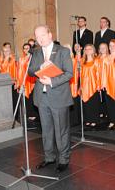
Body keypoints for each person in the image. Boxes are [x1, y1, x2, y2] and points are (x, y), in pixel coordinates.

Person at [28, 25, 73, 173]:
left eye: (42, 35)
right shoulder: (36, 53)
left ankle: (63, 159)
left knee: (61, 130)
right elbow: (30, 71)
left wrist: (52, 81)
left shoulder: (63, 51)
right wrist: (41, 66)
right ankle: (49, 158)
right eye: (37, 36)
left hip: (58, 96)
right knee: (46, 130)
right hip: (42, 97)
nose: (39, 39)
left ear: (50, 34)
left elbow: (69, 74)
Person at [80, 44, 101, 127]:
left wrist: (99, 84)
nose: (88, 50)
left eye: (90, 49)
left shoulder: (97, 60)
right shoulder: (82, 61)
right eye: (86, 49)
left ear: (93, 50)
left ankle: (94, 120)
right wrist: (80, 86)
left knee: (93, 103)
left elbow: (99, 73)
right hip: (84, 85)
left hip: (94, 84)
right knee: (86, 103)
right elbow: (80, 74)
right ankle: (88, 119)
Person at [16, 43, 37, 121]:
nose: (26, 50)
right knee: (25, 99)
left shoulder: (33, 58)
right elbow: (19, 71)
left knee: (31, 99)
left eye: (27, 48)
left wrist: (34, 82)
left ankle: (33, 115)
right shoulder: (21, 59)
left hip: (31, 81)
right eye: (24, 48)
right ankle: (26, 115)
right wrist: (18, 82)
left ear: (30, 49)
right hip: (23, 81)